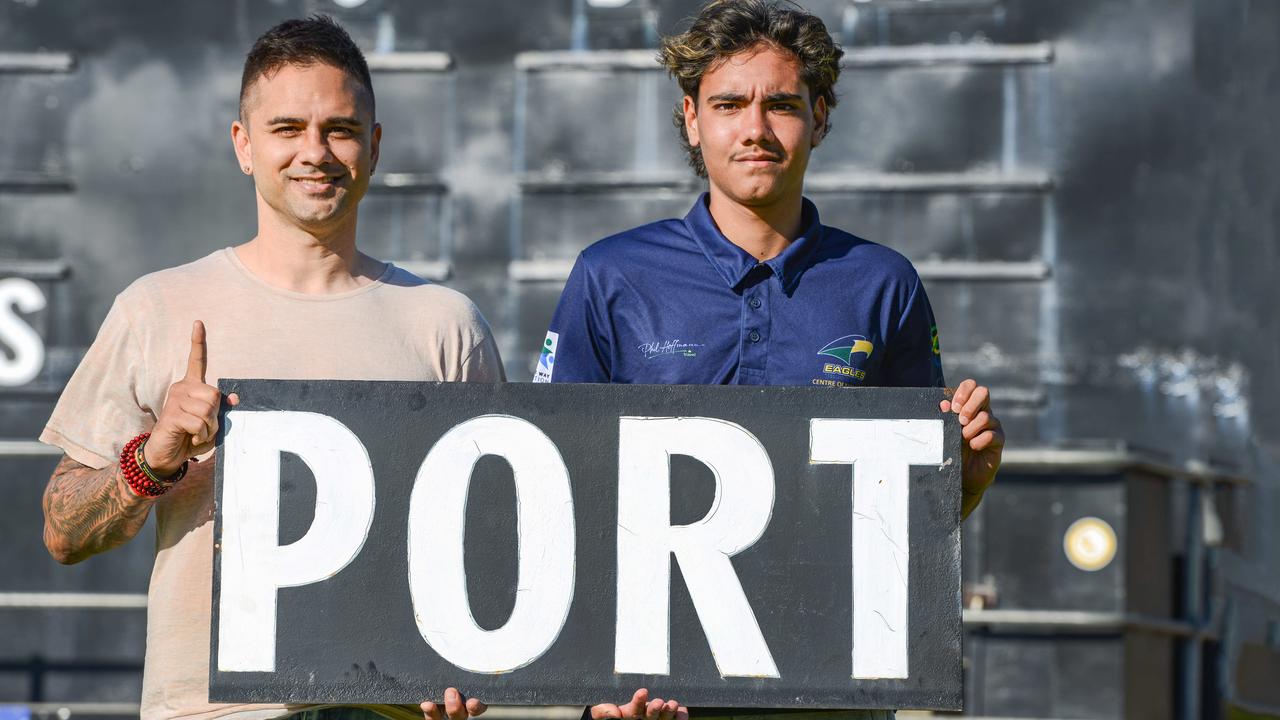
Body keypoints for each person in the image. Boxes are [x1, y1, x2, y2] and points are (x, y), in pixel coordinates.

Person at [37, 15, 508, 720]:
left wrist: (466, 684)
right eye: (287, 128)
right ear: (244, 145)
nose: (314, 152)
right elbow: (62, 532)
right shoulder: (160, 308)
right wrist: (154, 457)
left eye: (340, 129)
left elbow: (496, 549)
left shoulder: (446, 328)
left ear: (374, 148)